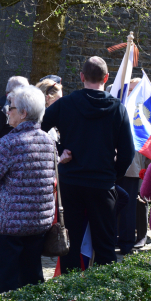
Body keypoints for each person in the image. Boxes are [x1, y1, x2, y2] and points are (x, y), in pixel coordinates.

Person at [42, 56, 134, 273]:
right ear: (106, 78)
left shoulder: (65, 104)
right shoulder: (117, 109)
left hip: (71, 182)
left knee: (69, 242)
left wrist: (57, 151)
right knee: (105, 244)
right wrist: (113, 175)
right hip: (102, 184)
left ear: (82, 76)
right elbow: (127, 152)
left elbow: (38, 129)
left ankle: (69, 295)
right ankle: (101, 297)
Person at [0, 85, 55, 293]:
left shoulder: (10, 143)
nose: (6, 111)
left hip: (8, 226)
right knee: (32, 281)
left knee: (6, 287)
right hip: (38, 224)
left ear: (23, 113)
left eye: (11, 107)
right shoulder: (48, 141)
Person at [116, 78, 150, 254]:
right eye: (130, 90)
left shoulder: (144, 112)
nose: (131, 93)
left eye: (135, 90)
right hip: (116, 164)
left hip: (133, 167)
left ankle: (127, 241)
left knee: (130, 207)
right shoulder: (120, 106)